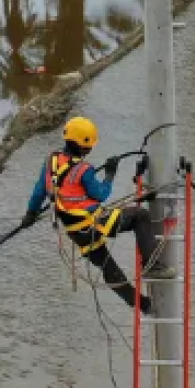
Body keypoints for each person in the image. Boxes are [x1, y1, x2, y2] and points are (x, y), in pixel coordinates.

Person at [20, 116, 175, 315]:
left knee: (108, 268)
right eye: (89, 146)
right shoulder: (84, 169)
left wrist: (30, 214)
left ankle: (143, 305)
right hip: (95, 222)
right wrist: (110, 174)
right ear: (82, 146)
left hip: (76, 231)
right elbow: (101, 194)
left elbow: (38, 192)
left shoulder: (51, 162)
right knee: (140, 216)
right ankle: (153, 265)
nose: (90, 150)